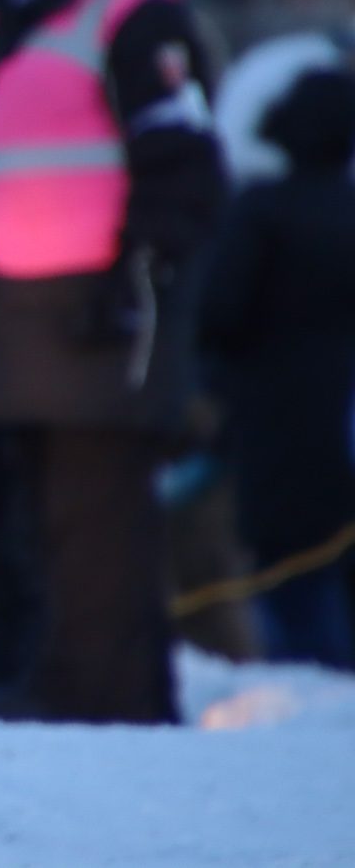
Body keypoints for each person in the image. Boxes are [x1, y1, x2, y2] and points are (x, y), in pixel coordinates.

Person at [0, 0, 227, 723]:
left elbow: (182, 153)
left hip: (97, 299)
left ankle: (108, 691)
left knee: (98, 509)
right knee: (29, 510)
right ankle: (55, 675)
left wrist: (143, 260)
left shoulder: (134, 10)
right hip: (3, 300)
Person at [200, 68, 355, 668]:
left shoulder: (262, 212)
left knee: (291, 586)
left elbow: (221, 313)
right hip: (339, 420)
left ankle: (308, 696)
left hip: (278, 423)